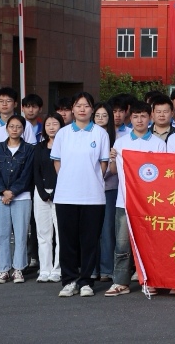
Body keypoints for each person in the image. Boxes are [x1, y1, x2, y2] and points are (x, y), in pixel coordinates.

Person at [52, 92, 110, 298]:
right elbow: (57, 162)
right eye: (78, 105)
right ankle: (68, 280)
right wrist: (70, 179)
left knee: (89, 241)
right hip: (66, 196)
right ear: (72, 109)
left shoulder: (100, 134)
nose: (82, 109)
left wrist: (90, 180)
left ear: (92, 109)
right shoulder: (63, 133)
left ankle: (86, 281)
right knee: (67, 241)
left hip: (93, 197)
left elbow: (103, 164)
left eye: (86, 105)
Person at [106, 101, 166, 297]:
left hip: (150, 202)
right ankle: (120, 282)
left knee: (149, 243)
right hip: (124, 201)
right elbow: (114, 172)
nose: (139, 120)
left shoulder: (158, 143)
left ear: (150, 119)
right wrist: (113, 159)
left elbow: (163, 174)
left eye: (143, 116)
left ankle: (150, 280)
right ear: (129, 119)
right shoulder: (122, 142)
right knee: (122, 244)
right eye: (135, 117)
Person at [0, 88, 36, 277]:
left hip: (21, 185)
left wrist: (14, 188)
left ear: (15, 104)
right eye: (1, 101)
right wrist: (3, 186)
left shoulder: (24, 125)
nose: (5, 104)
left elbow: (30, 155)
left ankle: (21, 264)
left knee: (21, 227)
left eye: (8, 100)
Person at [0, 114, 34, 284]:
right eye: (12, 126)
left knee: (21, 234)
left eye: (18, 127)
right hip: (0, 197)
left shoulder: (29, 149)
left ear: (23, 130)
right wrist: (3, 191)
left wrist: (12, 192)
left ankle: (19, 269)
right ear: (6, 128)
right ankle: (4, 270)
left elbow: (27, 174)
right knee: (3, 235)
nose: (15, 130)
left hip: (21, 197)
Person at [33, 113, 64, 284]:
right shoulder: (39, 147)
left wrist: (55, 192)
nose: (51, 127)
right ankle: (44, 269)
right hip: (41, 194)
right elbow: (35, 172)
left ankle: (57, 269)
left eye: (55, 124)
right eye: (48, 124)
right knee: (43, 234)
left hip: (61, 194)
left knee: (60, 234)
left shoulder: (66, 146)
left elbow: (65, 171)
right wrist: (43, 192)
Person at [93, 104, 119, 283]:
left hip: (110, 188)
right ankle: (91, 268)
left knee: (107, 229)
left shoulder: (118, 138)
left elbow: (115, 167)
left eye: (104, 115)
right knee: (91, 231)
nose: (101, 118)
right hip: (90, 189)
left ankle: (107, 268)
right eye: (97, 115)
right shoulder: (87, 136)